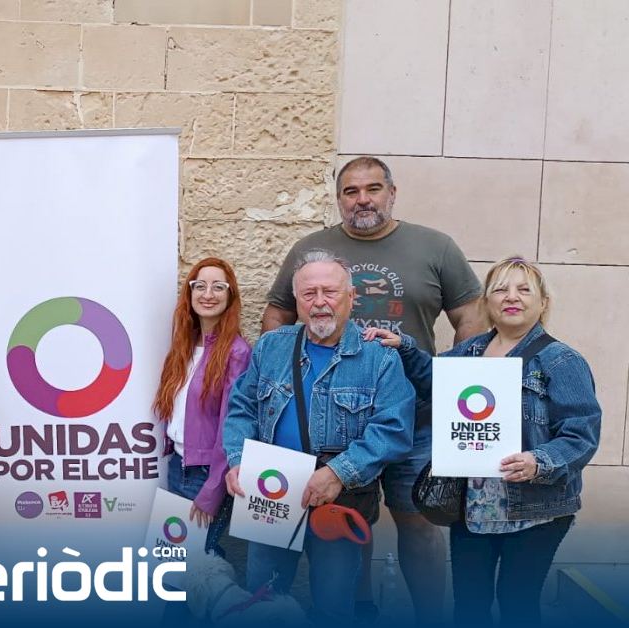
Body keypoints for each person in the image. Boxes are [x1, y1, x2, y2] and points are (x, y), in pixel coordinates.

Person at [261, 156, 487, 622]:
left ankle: (430, 617)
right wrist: (282, 373)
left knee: (418, 521)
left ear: (392, 193)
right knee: (349, 517)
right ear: (338, 198)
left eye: (373, 188)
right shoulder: (311, 247)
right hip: (334, 423)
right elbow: (278, 313)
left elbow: (470, 318)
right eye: (351, 191)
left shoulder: (435, 247)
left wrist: (450, 385)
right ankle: (359, 610)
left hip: (415, 418)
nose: (362, 199)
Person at [364, 256, 600, 626]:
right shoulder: (470, 351)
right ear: (487, 301)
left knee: (517, 605)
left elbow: (581, 433)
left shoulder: (560, 360)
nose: (512, 297)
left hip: (535, 508)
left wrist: (539, 460)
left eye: (524, 290)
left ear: (543, 303)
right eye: (500, 289)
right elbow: (434, 379)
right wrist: (404, 347)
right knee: (469, 608)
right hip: (473, 507)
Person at [223, 249, 415, 623]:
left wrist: (338, 472)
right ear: (297, 300)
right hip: (271, 490)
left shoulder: (379, 358)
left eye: (330, 291)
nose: (320, 302)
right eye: (309, 293)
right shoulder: (272, 346)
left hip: (339, 497)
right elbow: (241, 408)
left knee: (334, 608)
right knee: (262, 602)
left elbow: (393, 429)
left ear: (351, 297)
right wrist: (238, 460)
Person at [152, 258, 251, 557]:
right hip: (178, 465)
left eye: (218, 287)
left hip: (207, 474)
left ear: (230, 295)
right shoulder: (183, 345)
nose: (208, 294)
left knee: (199, 561)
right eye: (200, 286)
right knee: (177, 564)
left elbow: (231, 426)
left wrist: (213, 489)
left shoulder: (237, 352)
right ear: (190, 292)